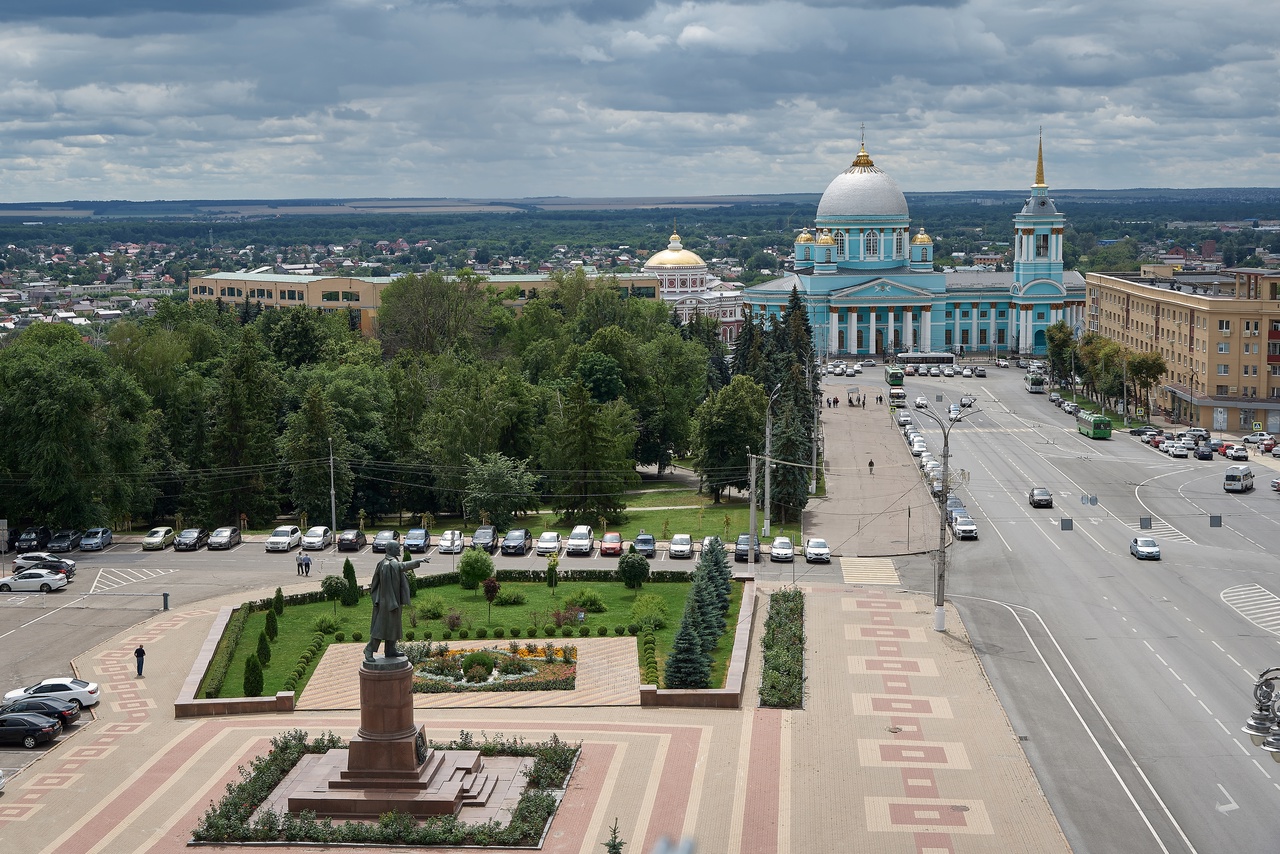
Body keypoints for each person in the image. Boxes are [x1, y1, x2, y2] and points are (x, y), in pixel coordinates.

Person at [363, 542, 426, 662]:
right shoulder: (388, 564)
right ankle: (369, 649)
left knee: (393, 626)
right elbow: (400, 567)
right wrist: (418, 561)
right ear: (391, 550)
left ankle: (390, 649)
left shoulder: (390, 561)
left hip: (392, 600)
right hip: (388, 602)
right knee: (381, 627)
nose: (400, 549)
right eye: (397, 548)